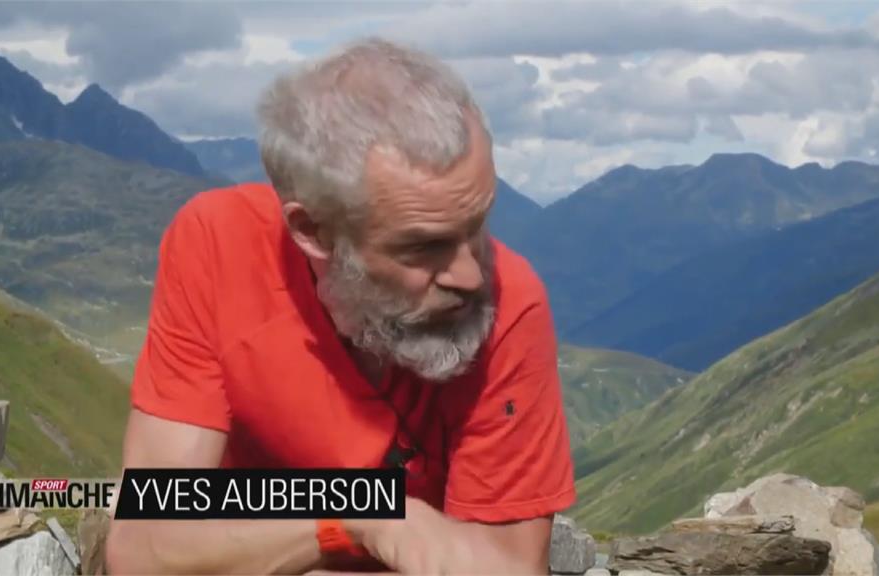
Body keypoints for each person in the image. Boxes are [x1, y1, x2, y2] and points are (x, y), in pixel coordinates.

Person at [105, 37, 575, 575]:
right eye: (424, 247)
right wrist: (358, 516)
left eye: (478, 226)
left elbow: (505, 568)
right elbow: (143, 552)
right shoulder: (216, 246)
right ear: (313, 231)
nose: (470, 276)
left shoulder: (511, 303)